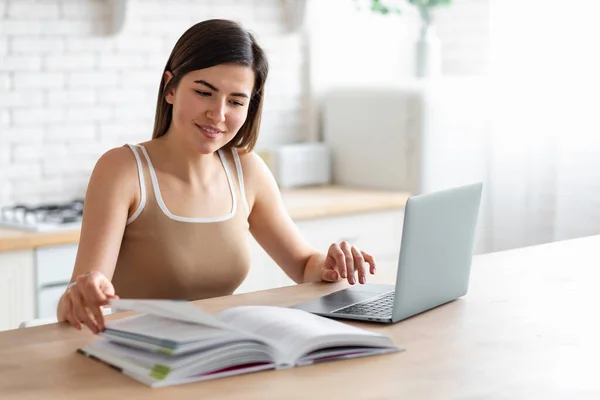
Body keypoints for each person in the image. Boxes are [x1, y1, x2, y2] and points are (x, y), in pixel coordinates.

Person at [57, 19, 377, 333]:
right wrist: (82, 293)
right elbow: (76, 297)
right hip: (139, 356)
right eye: (204, 92)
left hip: (219, 352)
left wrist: (331, 266)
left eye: (236, 101)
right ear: (170, 88)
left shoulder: (247, 172)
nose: (218, 114)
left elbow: (304, 264)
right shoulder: (123, 170)